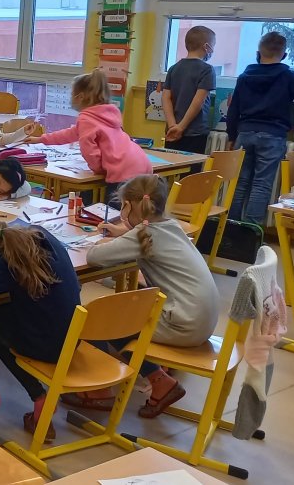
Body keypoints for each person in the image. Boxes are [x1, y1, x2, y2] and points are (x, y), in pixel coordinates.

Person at [78, 175, 220, 417]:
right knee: (121, 314)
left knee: (98, 320)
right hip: (201, 320)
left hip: (184, 325)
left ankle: (99, 389)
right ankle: (160, 381)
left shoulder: (144, 235)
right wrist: (125, 233)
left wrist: (113, 238)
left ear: (128, 206)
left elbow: (94, 257)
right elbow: (145, 239)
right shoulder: (172, 226)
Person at [0, 218, 81, 440]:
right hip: (73, 337)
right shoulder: (42, 236)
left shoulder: (4, 264)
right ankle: (27, 398)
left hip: (49, 347)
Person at [226, 31, 294, 225]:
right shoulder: (288, 76)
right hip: (273, 136)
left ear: (258, 54)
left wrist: (231, 136)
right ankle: (250, 231)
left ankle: (230, 227)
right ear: (284, 55)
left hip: (244, 133)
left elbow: (234, 109)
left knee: (239, 183)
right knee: (261, 184)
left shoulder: (244, 76)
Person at [27, 69, 150, 204]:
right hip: (140, 163)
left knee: (110, 211)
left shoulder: (86, 119)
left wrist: (98, 169)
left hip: (122, 171)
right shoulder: (107, 113)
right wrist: (41, 139)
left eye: (71, 94)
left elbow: (89, 151)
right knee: (131, 208)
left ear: (80, 97)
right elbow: (70, 134)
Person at [162, 26, 217, 154]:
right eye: (213, 46)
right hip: (195, 132)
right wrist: (181, 127)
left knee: (171, 164)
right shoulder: (207, 70)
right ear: (206, 47)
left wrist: (172, 125)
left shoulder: (173, 68)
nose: (212, 50)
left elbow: (165, 98)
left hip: (172, 131)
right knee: (192, 166)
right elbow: (198, 101)